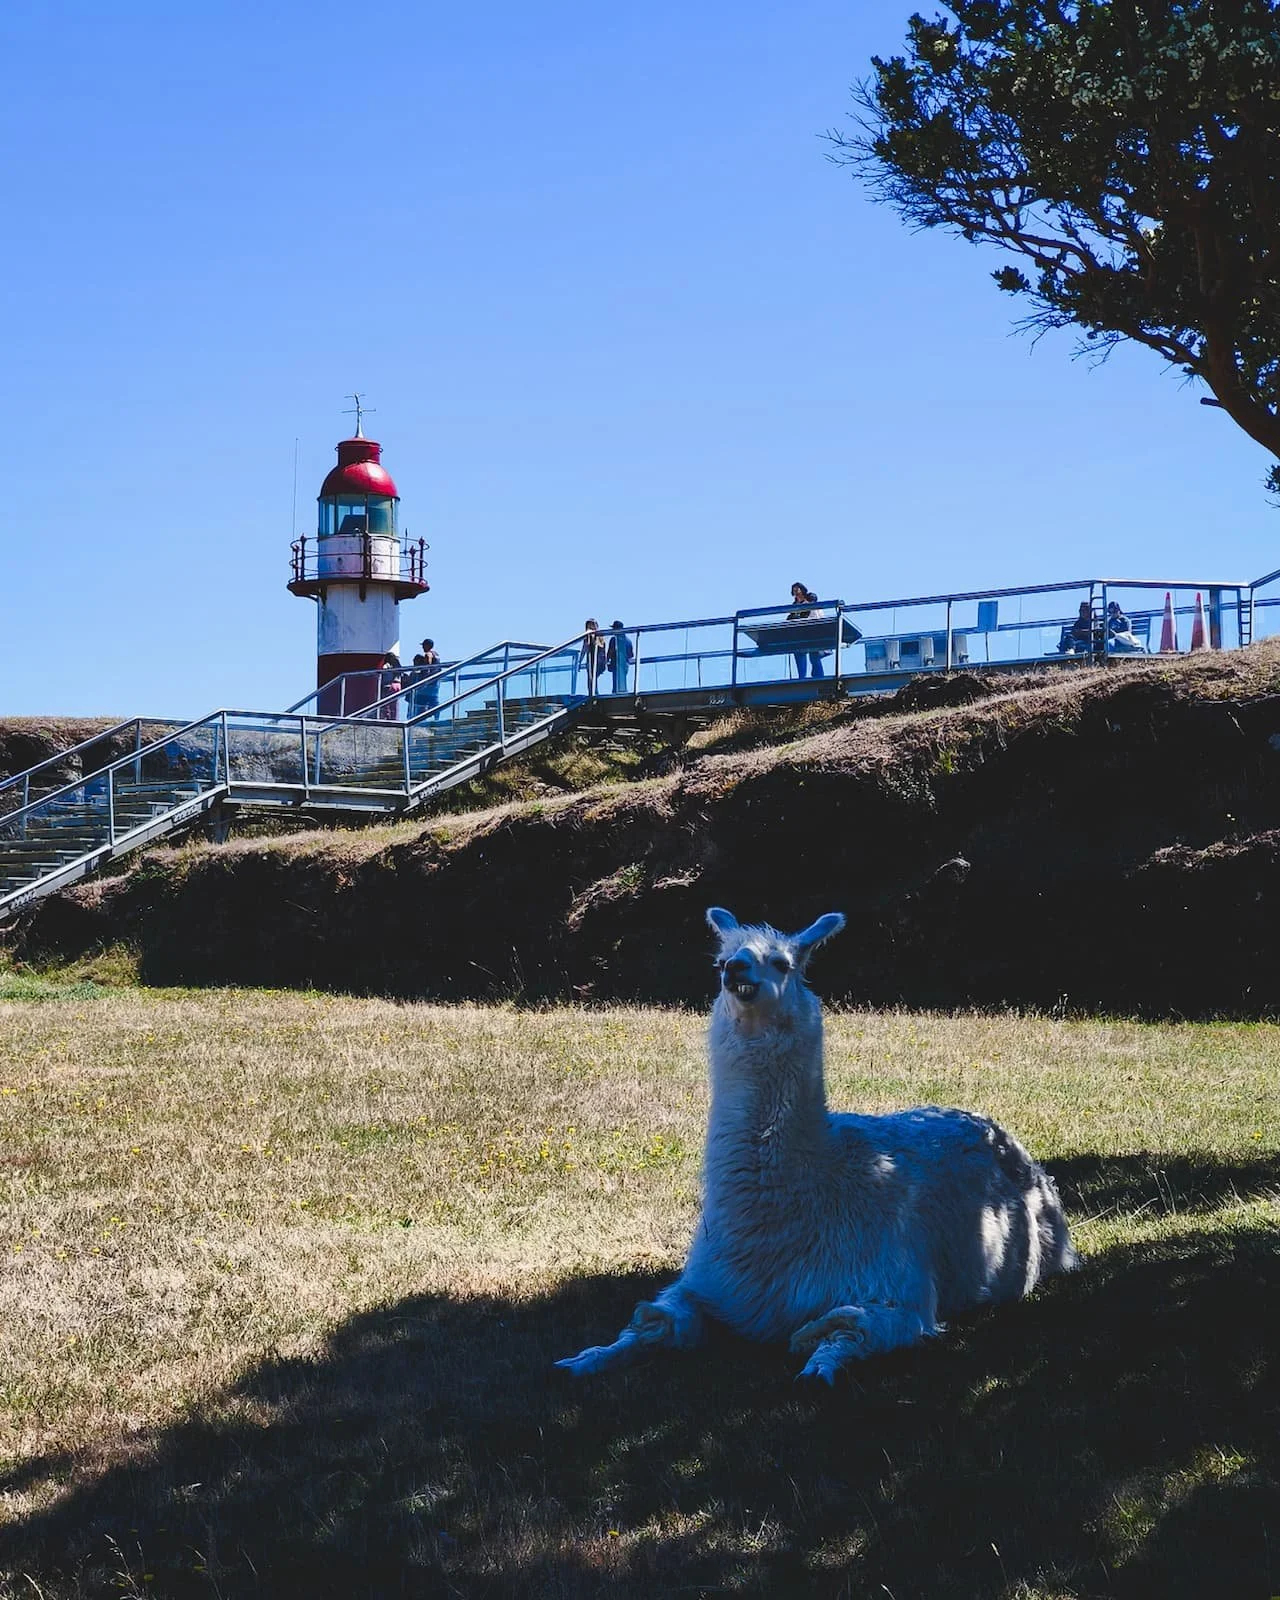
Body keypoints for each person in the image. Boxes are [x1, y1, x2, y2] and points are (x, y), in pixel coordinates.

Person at [788, 582, 826, 680]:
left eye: (797, 589)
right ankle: (802, 678)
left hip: (813, 632)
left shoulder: (809, 597)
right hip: (800, 634)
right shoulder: (794, 605)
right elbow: (790, 618)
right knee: (799, 653)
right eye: (794, 590)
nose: (796, 592)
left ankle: (818, 677)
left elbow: (813, 603)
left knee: (814, 656)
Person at [411, 638, 440, 716]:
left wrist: (424, 680)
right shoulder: (436, 654)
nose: (422, 647)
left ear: (427, 645)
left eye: (423, 645)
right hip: (436, 681)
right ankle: (436, 716)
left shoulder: (428, 654)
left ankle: (419, 719)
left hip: (429, 682)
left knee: (422, 700)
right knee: (433, 700)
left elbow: (428, 667)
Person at [605, 620, 633, 694]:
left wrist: (607, 661)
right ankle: (623, 692)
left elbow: (610, 652)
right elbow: (631, 655)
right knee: (622, 681)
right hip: (625, 665)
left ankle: (615, 694)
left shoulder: (614, 639)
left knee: (616, 684)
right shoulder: (628, 641)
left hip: (616, 664)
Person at [580, 618, 606, 693]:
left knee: (591, 679)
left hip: (596, 660)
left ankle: (593, 693)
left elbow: (585, 647)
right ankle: (594, 692)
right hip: (596, 659)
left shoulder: (596, 636)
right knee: (592, 679)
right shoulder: (598, 636)